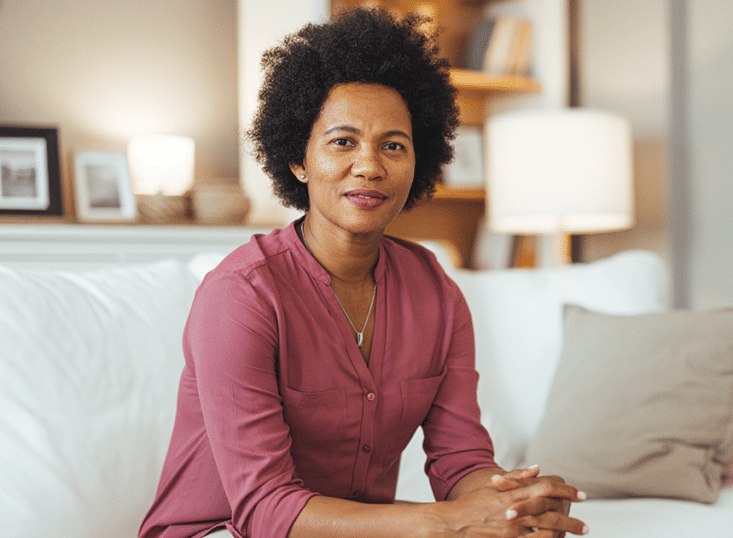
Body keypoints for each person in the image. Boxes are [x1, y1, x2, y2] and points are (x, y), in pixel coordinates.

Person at [138, 7, 588, 538]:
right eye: (342, 141)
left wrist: (512, 505)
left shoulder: (437, 293)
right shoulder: (240, 297)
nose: (370, 165)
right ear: (298, 160)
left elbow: (460, 460)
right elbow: (263, 510)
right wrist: (447, 523)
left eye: (393, 145)